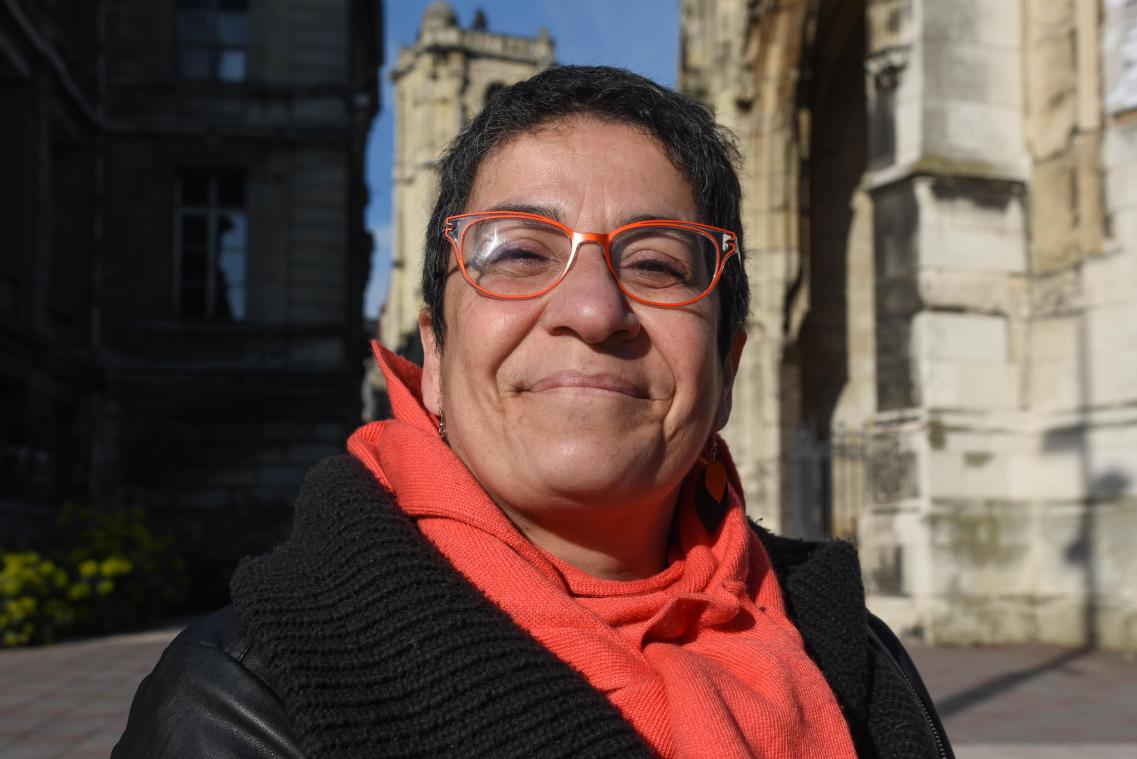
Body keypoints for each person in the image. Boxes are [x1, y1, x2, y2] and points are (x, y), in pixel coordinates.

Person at [113, 65, 953, 759]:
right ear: (434, 355)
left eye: (656, 263)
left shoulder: (852, 650)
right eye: (517, 251)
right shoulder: (240, 698)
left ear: (726, 367)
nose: (591, 309)